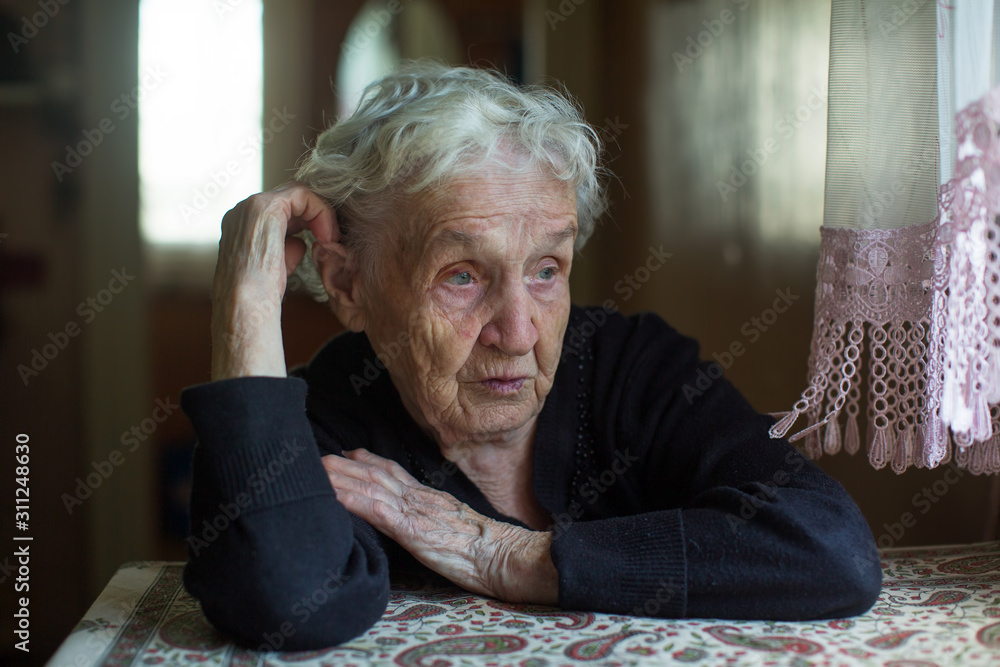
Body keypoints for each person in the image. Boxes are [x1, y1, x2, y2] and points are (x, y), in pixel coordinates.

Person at [181, 62, 881, 651]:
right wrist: (245, 309)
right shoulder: (331, 420)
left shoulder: (630, 369)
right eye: (462, 275)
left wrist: (506, 554)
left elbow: (830, 548)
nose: (517, 331)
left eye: (547, 269)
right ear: (346, 283)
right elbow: (278, 595)